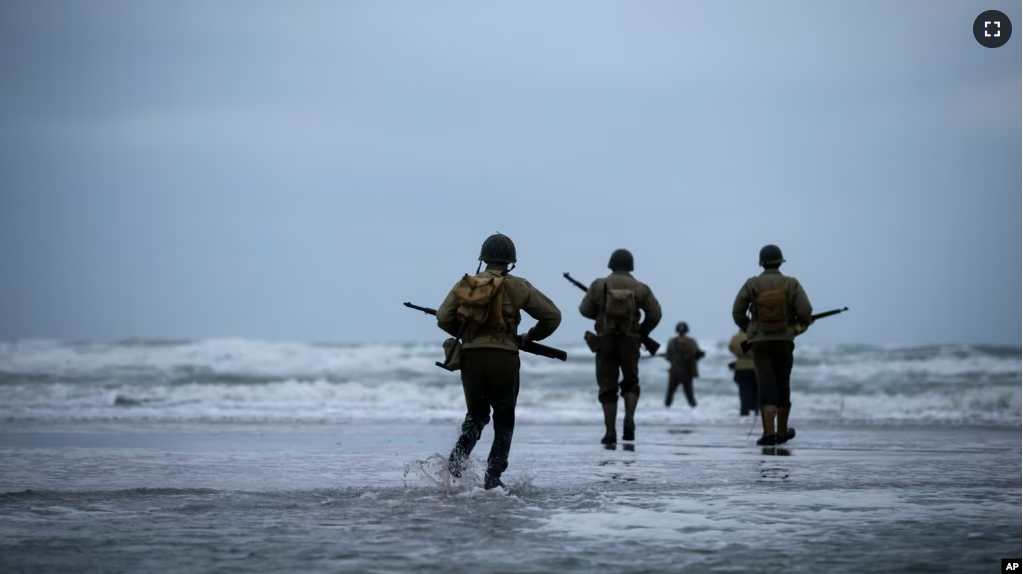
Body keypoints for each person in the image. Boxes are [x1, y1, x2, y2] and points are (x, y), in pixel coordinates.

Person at [436, 233, 562, 490]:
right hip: (505, 357)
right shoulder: (519, 286)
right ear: (510, 262)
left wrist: (470, 335)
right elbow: (552, 316)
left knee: (476, 414)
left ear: (483, 259)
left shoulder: (468, 284)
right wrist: (529, 337)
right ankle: (493, 477)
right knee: (504, 416)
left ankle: (458, 460)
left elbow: (442, 317)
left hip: (471, 357)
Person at [731, 244, 812, 446]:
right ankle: (782, 432)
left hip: (759, 343)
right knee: (783, 383)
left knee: (766, 384)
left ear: (762, 263)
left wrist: (751, 329)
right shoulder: (791, 283)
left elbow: (737, 312)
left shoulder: (752, 284)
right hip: (784, 341)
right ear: (780, 261)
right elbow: (806, 311)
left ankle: (768, 433)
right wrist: (796, 328)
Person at [579, 249, 662, 445]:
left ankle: (610, 432)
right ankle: (629, 420)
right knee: (631, 381)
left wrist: (602, 315)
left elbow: (584, 310)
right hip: (631, 340)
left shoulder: (599, 285)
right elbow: (655, 314)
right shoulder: (640, 287)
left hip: (605, 340)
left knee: (607, 386)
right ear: (631, 266)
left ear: (611, 264)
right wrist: (641, 330)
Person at [663, 322, 703, 409]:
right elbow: (668, 357)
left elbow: (696, 356)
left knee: (689, 394)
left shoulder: (691, 342)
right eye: (680, 331)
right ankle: (665, 411)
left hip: (686, 371)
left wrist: (697, 355)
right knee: (670, 393)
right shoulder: (672, 342)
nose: (681, 332)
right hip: (676, 371)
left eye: (683, 331)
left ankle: (695, 412)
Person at [727, 329, 758, 416]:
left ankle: (745, 410)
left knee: (744, 390)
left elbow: (731, 348)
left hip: (741, 367)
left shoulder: (736, 337)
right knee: (756, 390)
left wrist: (740, 356)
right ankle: (756, 410)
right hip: (756, 366)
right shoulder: (756, 335)